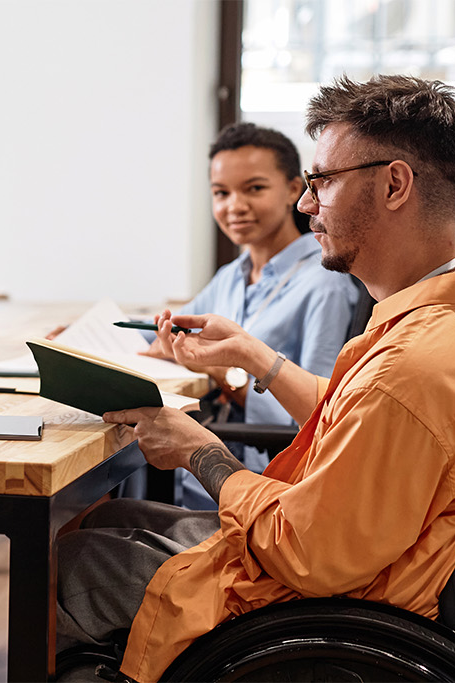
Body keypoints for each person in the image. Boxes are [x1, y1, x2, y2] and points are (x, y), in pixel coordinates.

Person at [54, 74, 455, 682]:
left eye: (322, 182)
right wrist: (256, 356)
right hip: (388, 557)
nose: (305, 204)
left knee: (66, 559)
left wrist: (204, 455)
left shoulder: (413, 370)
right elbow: (368, 425)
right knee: (107, 519)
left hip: (334, 603)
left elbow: (307, 552)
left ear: (395, 183)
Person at [138, 122, 359, 509]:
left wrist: (224, 374)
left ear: (295, 189)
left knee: (104, 497)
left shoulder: (325, 284)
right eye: (221, 193)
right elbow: (164, 330)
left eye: (254, 189)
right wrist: (83, 336)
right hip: (208, 457)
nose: (234, 206)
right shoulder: (232, 276)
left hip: (259, 479)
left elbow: (319, 416)